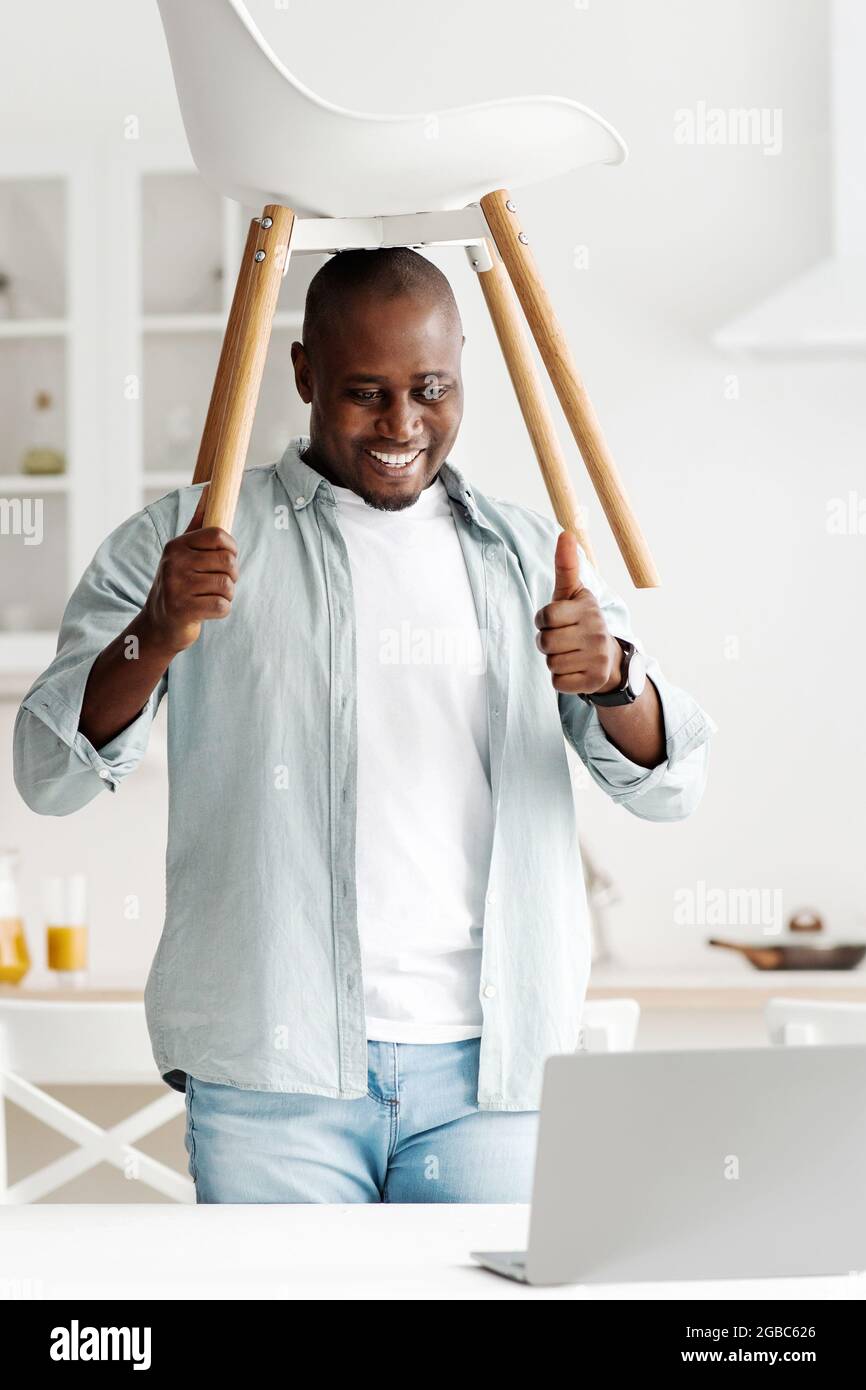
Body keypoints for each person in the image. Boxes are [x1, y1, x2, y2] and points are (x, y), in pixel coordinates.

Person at [12, 248, 716, 1203]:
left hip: (492, 1072)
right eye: (363, 391)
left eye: (431, 388)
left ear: (463, 366)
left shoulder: (529, 551)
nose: (402, 425)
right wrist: (157, 631)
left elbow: (673, 786)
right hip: (273, 1068)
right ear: (303, 374)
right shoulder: (189, 539)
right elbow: (49, 773)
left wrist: (616, 679)